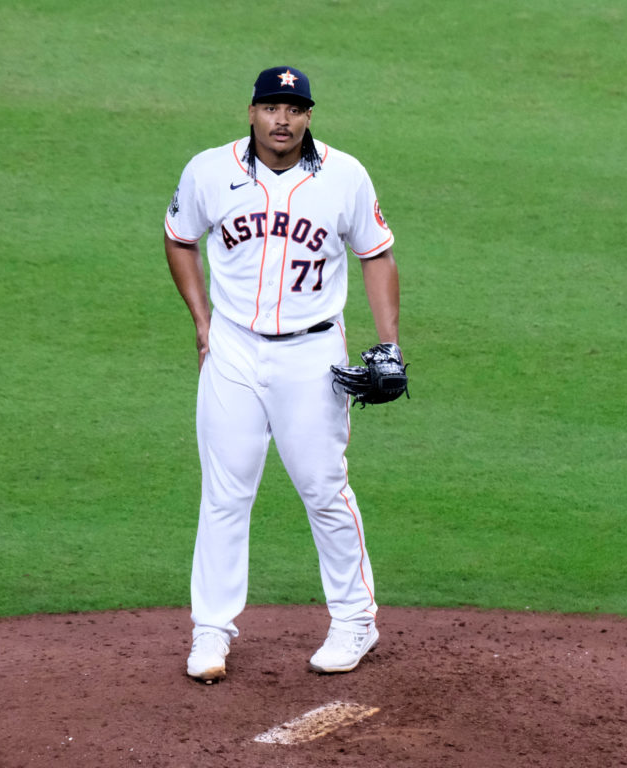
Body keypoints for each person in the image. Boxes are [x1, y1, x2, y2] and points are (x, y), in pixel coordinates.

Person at [164, 65, 402, 682]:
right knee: (224, 495)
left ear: (309, 117)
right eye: (271, 107)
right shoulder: (209, 171)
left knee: (324, 488)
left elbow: (376, 254)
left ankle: (355, 621)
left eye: (294, 109)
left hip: (311, 354)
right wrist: (201, 320)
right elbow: (179, 237)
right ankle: (210, 632)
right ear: (251, 112)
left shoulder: (344, 175)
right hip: (234, 351)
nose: (281, 120)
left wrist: (389, 344)